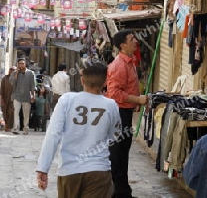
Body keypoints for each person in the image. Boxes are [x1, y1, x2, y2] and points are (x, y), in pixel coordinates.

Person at [36, 61, 121, 198]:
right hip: (98, 170)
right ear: (105, 82)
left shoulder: (67, 100)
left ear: (82, 80)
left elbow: (53, 134)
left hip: (69, 171)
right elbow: (115, 137)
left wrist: (43, 168)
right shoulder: (111, 105)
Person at [105, 29, 148, 198]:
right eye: (131, 39)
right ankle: (118, 192)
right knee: (118, 154)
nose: (135, 41)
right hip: (119, 114)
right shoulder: (119, 65)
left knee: (122, 153)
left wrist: (134, 102)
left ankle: (122, 191)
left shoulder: (130, 62)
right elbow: (114, 93)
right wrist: (137, 100)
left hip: (125, 112)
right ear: (123, 45)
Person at [10, 58, 36, 135]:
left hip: (27, 96)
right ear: (17, 65)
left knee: (26, 114)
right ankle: (16, 128)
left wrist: (33, 96)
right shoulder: (14, 73)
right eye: (20, 64)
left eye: (22, 63)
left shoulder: (31, 73)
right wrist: (16, 74)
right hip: (17, 96)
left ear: (25, 64)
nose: (21, 65)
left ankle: (26, 129)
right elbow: (12, 83)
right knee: (16, 112)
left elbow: (33, 86)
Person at [0, 66, 16, 132]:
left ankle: (9, 126)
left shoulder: (16, 79)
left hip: (13, 99)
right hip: (5, 98)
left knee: (11, 112)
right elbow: (2, 89)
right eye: (10, 70)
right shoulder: (5, 78)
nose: (11, 71)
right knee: (5, 113)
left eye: (13, 70)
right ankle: (6, 125)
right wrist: (2, 99)